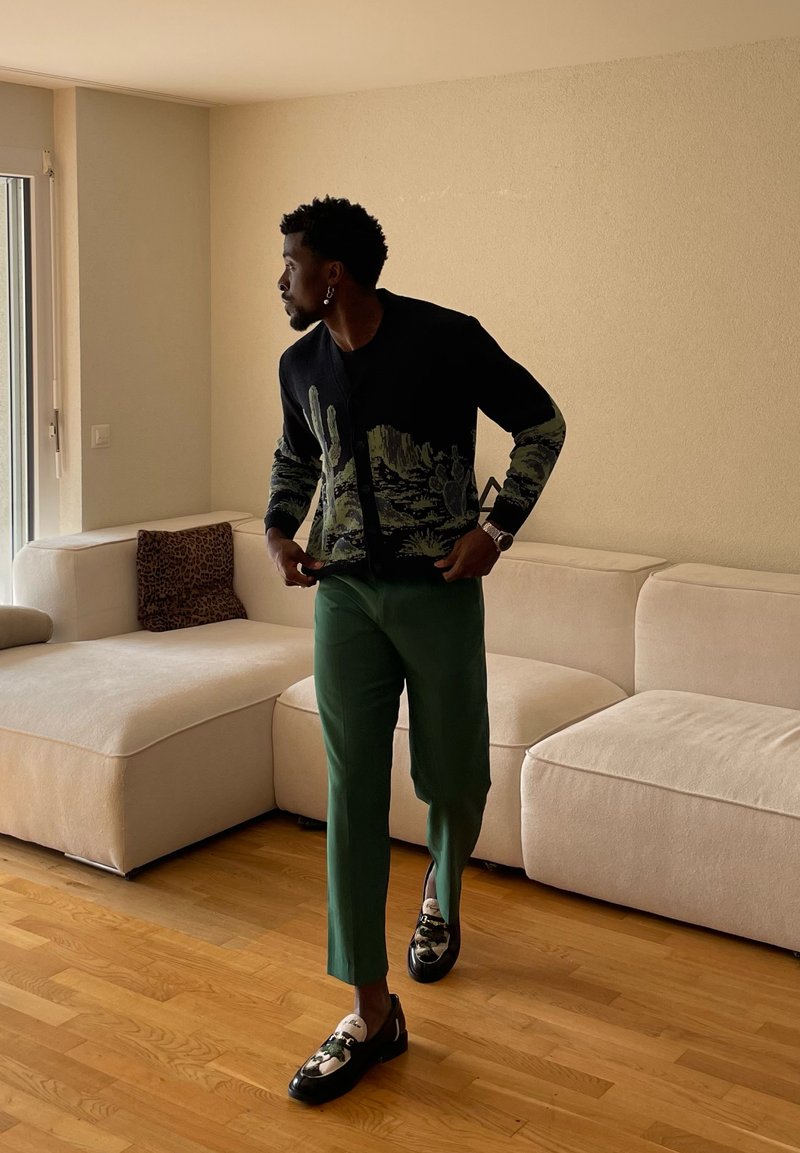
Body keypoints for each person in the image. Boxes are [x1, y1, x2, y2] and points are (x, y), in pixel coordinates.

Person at [265, 195, 566, 1105]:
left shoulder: (446, 339)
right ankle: (370, 1010)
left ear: (333, 275)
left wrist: (496, 529)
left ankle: (442, 881)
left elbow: (541, 425)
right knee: (351, 789)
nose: (281, 280)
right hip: (344, 596)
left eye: (290, 264)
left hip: (438, 589)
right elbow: (297, 458)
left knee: (455, 776)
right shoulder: (299, 364)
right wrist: (280, 530)